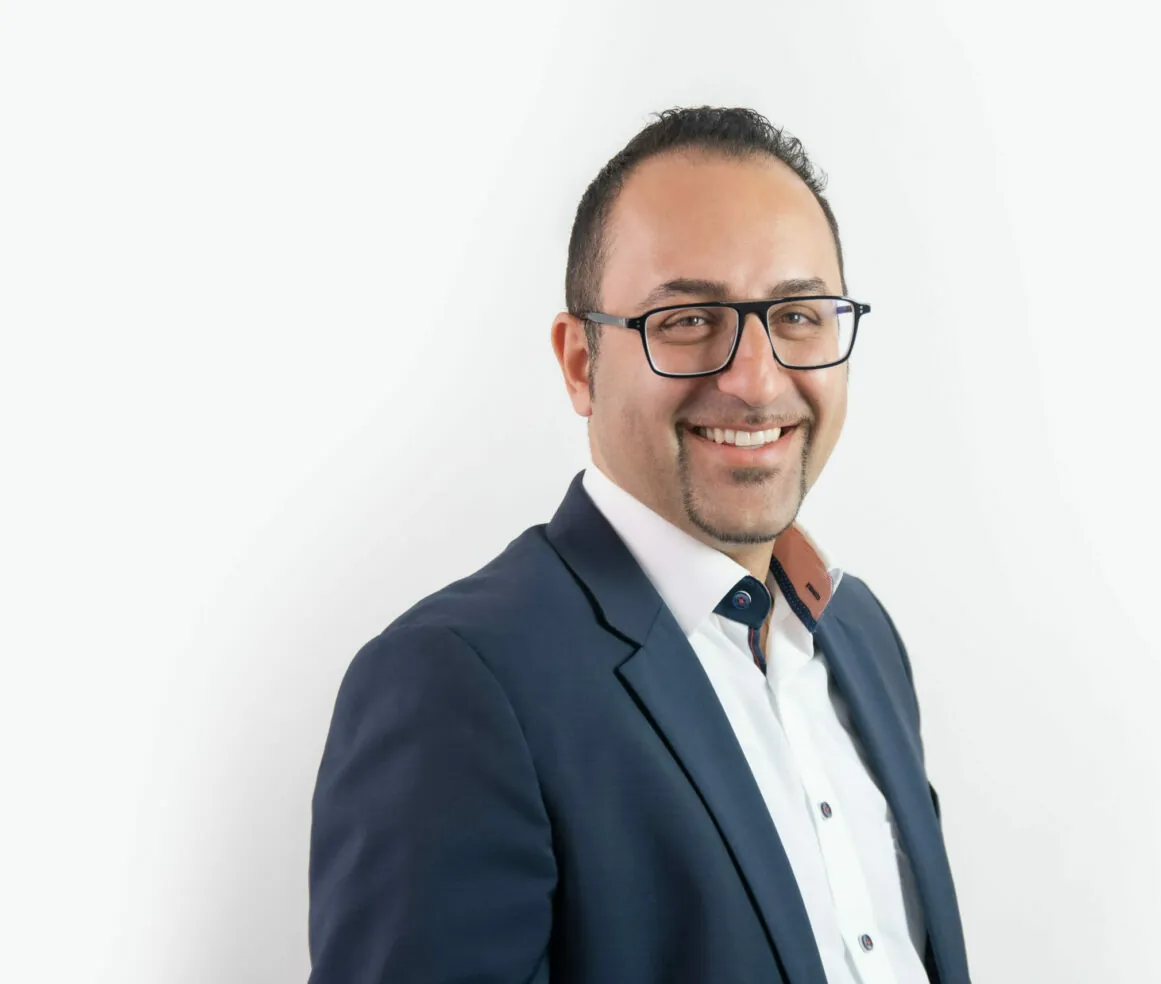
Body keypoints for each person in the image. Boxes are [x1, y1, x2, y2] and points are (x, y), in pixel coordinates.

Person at [307, 106, 970, 984]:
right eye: (688, 319)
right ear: (580, 361)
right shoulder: (454, 685)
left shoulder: (860, 635)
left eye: (799, 315)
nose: (757, 380)